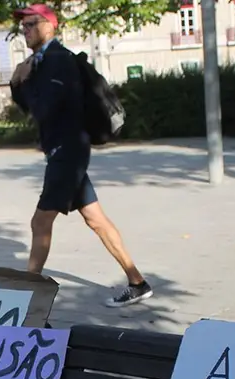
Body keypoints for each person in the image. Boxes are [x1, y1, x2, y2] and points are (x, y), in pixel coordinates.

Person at [8, 4, 152, 308]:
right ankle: (137, 282)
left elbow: (44, 109)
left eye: (31, 24)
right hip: (65, 151)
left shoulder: (58, 61)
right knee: (96, 219)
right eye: (23, 26)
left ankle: (27, 294)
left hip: (68, 152)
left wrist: (25, 80)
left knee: (40, 222)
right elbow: (32, 106)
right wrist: (19, 81)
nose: (25, 30)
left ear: (49, 26)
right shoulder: (42, 62)